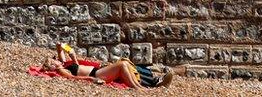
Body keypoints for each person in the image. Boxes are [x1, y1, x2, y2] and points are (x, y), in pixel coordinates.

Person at [40, 44, 172, 89]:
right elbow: (73, 77)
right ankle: (139, 87)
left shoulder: (64, 63)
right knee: (121, 64)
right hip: (96, 75)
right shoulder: (61, 69)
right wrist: (91, 80)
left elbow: (60, 46)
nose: (56, 59)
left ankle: (140, 87)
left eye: (55, 58)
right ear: (52, 65)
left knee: (125, 62)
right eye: (53, 60)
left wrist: (68, 50)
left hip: (98, 70)